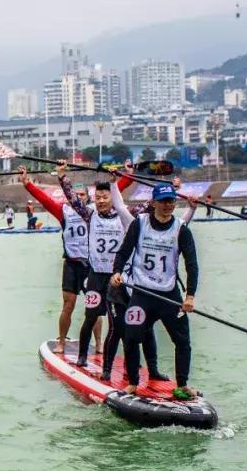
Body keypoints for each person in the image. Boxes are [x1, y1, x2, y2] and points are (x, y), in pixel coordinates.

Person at [19, 171, 134, 354]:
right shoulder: (63, 211)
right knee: (68, 304)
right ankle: (62, 342)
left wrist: (127, 176)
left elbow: (115, 190)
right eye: (76, 195)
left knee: (96, 308)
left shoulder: (95, 211)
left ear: (87, 199)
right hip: (72, 264)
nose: (79, 198)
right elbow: (45, 200)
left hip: (92, 266)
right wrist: (28, 184)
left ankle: (99, 343)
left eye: (82, 196)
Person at [110, 182, 200, 399]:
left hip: (169, 295)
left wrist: (190, 295)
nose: (169, 205)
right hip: (142, 293)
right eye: (164, 201)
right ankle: (132, 383)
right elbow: (123, 252)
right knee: (131, 337)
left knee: (183, 341)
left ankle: (183, 384)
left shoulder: (181, 229)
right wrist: (116, 272)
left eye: (171, 201)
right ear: (154, 203)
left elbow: (192, 264)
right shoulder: (139, 224)